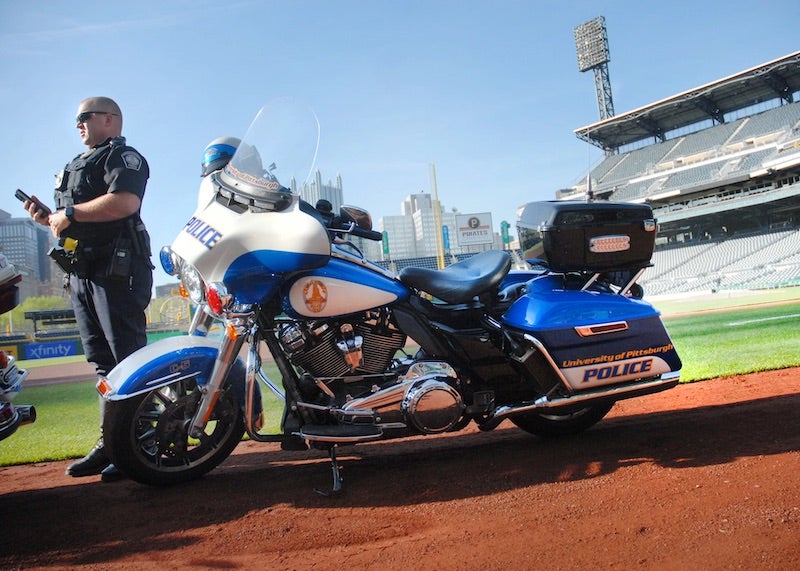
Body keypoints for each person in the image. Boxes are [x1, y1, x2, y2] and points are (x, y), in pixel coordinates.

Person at [23, 97, 153, 483]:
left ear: (109, 119)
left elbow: (125, 202)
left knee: (128, 361)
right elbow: (71, 219)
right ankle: (111, 443)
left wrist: (73, 214)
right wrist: (51, 218)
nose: (78, 124)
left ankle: (140, 443)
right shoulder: (78, 164)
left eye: (85, 117)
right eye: (76, 119)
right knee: (103, 365)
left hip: (117, 270)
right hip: (82, 272)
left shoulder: (122, 156)